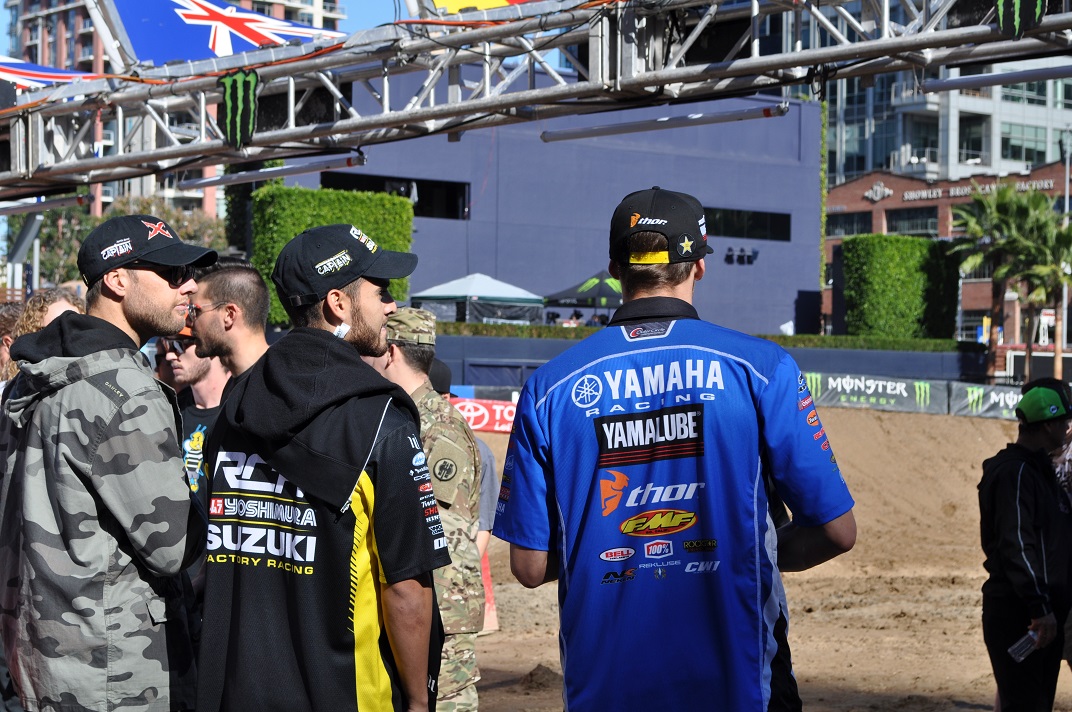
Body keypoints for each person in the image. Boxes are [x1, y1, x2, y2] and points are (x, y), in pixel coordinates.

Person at [492, 187, 857, 711]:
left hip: (606, 685)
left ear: (616, 267)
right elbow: (838, 532)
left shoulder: (549, 388)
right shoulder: (763, 368)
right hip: (741, 680)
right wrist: (758, 551)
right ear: (699, 266)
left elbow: (529, 566)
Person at [196, 224, 451, 712]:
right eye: (381, 292)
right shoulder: (381, 419)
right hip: (346, 692)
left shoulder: (234, 406)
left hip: (236, 689)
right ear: (338, 302)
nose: (391, 306)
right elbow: (405, 588)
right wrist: (419, 701)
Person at [0, 213, 216, 711]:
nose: (188, 288)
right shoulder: (124, 391)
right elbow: (172, 548)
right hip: (117, 667)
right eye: (170, 274)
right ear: (118, 280)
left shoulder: (31, 377)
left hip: (41, 653)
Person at [365, 311, 484, 711]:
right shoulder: (407, 417)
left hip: (439, 624)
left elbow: (440, 538)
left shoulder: (436, 428)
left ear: (391, 351)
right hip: (419, 619)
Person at [980, 384, 1072, 711]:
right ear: (1048, 425)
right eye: (1064, 422)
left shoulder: (1041, 473)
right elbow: (1016, 544)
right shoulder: (1014, 472)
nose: (1067, 428)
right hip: (1023, 617)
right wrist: (1039, 607)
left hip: (1046, 619)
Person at [186, 262, 270, 382]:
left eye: (195, 311)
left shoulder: (280, 385)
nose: (188, 321)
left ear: (230, 315)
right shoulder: (236, 385)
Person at [0, 287, 86, 381]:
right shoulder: (13, 392)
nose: (65, 338)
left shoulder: (99, 381)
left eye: (74, 328)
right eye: (50, 330)